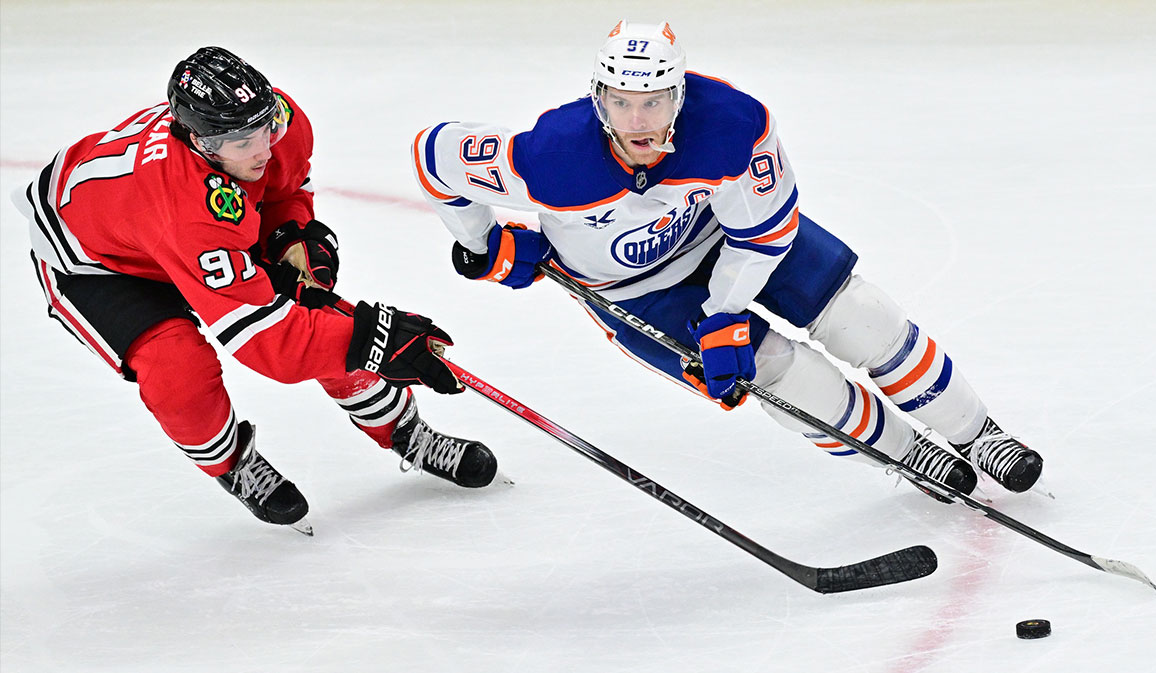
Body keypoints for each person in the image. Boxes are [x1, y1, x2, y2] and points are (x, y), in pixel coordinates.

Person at [411, 20, 1044, 501]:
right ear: (597, 98)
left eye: (654, 101)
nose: (638, 121)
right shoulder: (551, 155)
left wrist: (724, 312)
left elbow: (763, 237)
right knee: (777, 374)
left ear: (679, 96)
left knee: (860, 316)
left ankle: (978, 434)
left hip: (727, 242)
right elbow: (434, 155)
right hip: (636, 294)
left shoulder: (732, 126)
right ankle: (908, 454)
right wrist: (484, 244)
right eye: (621, 101)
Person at [15, 46, 499, 535]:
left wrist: (294, 234)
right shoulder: (184, 206)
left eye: (264, 124)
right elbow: (269, 345)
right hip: (97, 264)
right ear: (199, 141)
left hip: (168, 227)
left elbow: (285, 190)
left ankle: (407, 434)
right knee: (176, 369)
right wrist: (375, 344)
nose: (262, 147)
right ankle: (231, 465)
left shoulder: (277, 123)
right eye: (241, 140)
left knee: (322, 313)